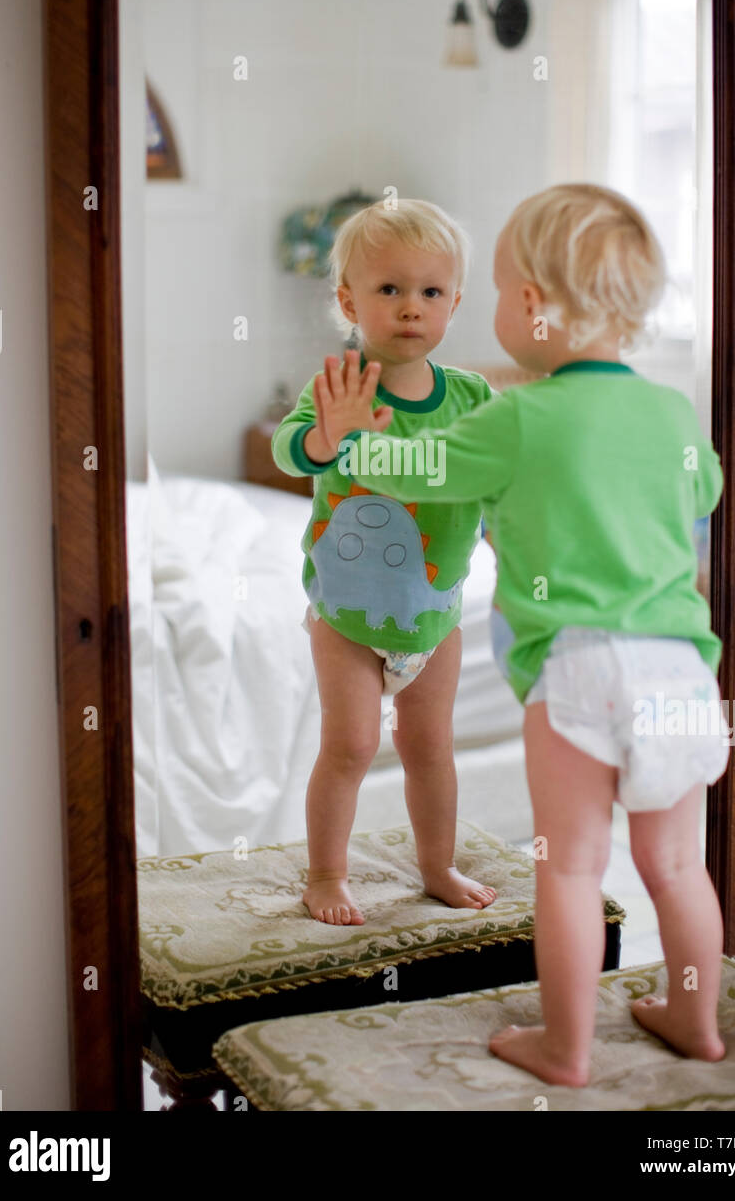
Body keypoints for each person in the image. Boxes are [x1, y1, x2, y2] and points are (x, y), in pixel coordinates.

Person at [315, 183, 730, 1083]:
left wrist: (350, 439)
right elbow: (703, 495)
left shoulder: (516, 416)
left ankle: (565, 1047)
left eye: (495, 291)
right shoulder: (672, 415)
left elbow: (417, 471)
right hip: (683, 676)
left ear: (535, 306)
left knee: (574, 869)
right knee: (677, 865)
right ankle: (697, 1021)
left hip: (581, 671)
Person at [272, 199, 498, 926]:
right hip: (346, 616)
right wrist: (327, 437)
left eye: (430, 292)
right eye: (389, 290)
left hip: (435, 616)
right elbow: (290, 449)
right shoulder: (339, 389)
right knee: (353, 745)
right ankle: (326, 875)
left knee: (432, 747)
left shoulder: (471, 398)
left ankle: (436, 865)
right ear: (348, 301)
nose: (411, 308)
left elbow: (494, 485)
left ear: (454, 303)